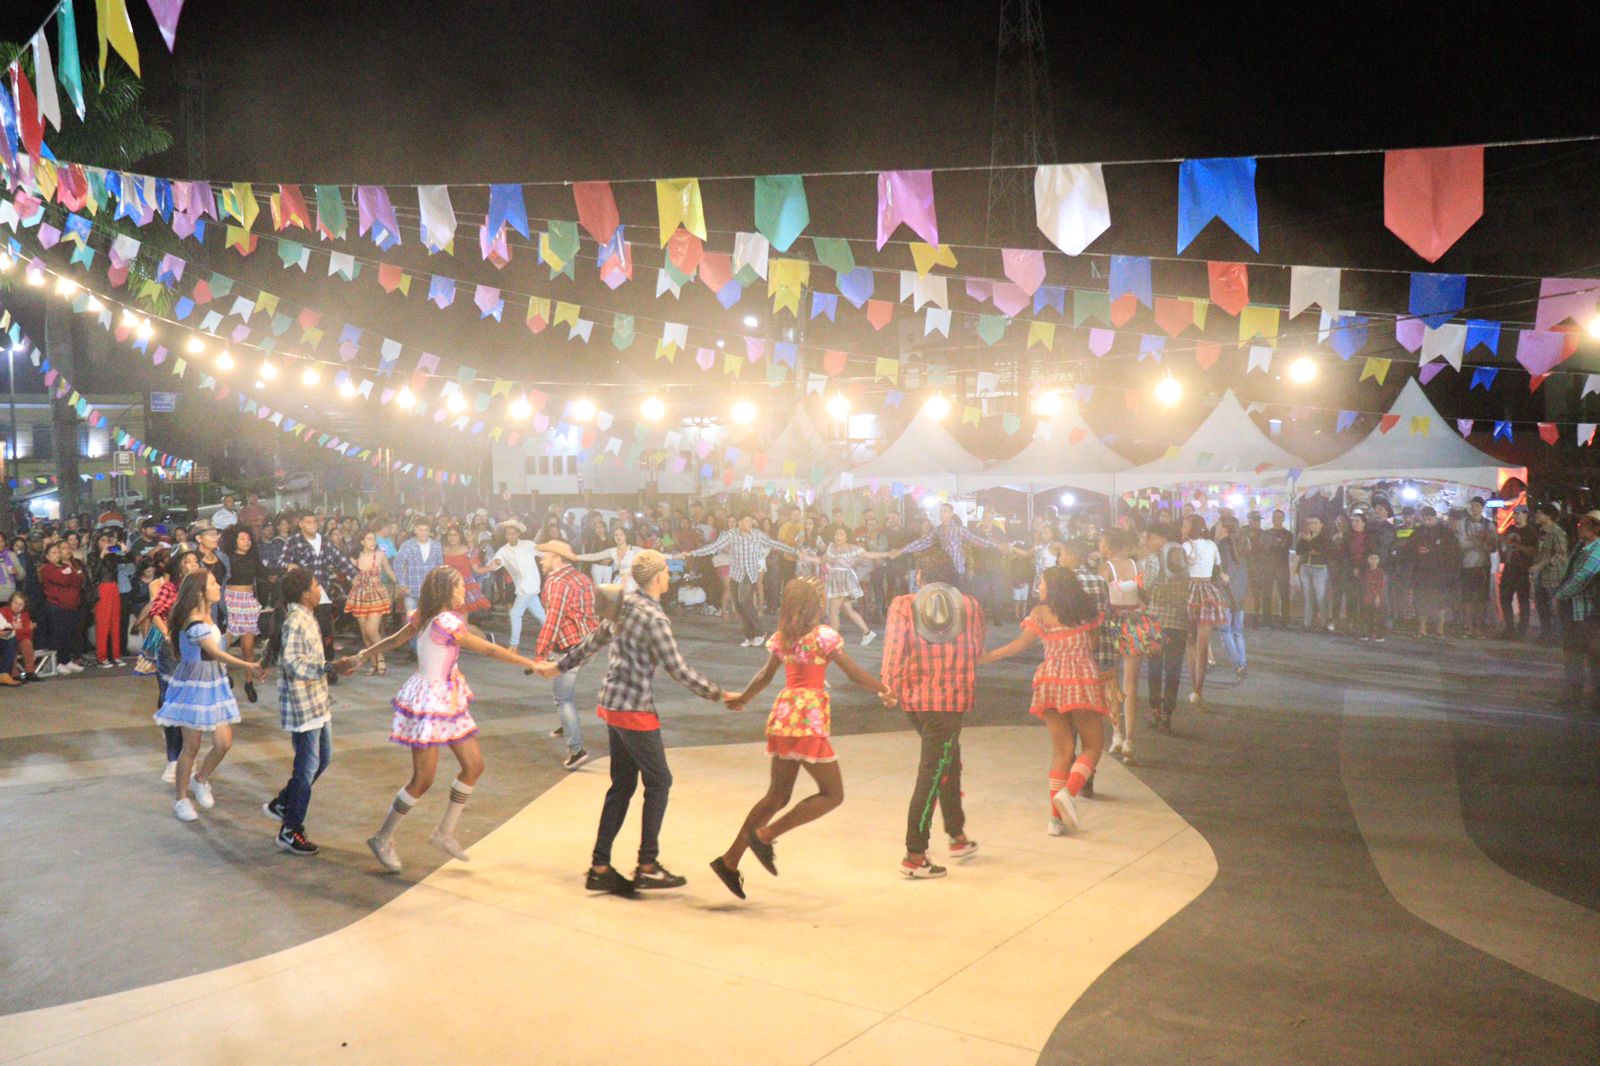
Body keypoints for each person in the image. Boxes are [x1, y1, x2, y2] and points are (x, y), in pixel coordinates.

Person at [533, 551, 729, 897]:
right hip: (635, 709)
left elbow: (592, 641)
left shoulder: (623, 604)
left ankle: (600, 866)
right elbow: (678, 669)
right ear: (656, 579)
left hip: (611, 704)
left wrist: (559, 666)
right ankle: (647, 865)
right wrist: (720, 694)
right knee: (659, 782)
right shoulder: (655, 618)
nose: (669, 576)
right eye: (666, 571)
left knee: (622, 785)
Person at [711, 577, 897, 899]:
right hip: (807, 720)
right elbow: (852, 673)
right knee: (833, 794)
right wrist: (884, 689)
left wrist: (743, 698)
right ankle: (766, 835)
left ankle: (729, 861)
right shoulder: (824, 637)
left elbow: (765, 676)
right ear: (814, 605)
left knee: (777, 796)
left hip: (783, 717)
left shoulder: (782, 638)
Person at [358, 567, 544, 872]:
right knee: (423, 780)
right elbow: (488, 649)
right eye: (459, 587)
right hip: (431, 701)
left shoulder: (426, 616)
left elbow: (393, 639)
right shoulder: (444, 621)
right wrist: (532, 664)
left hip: (449, 697)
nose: (463, 592)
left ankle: (445, 831)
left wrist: (363, 655)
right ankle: (382, 836)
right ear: (446, 591)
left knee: (474, 766)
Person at [980, 565, 1109, 836]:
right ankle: (1069, 792)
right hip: (1082, 678)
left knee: (1061, 750)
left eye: (1042, 583)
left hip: (1050, 678)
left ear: (1054, 587)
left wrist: (990, 656)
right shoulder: (1087, 612)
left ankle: (1055, 820)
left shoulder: (1040, 614)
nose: (1038, 587)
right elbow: (1094, 645)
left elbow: (1021, 643)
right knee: (1093, 745)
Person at [879, 552, 984, 880]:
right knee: (933, 771)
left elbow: (895, 648)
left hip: (915, 700)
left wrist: (888, 686)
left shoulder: (903, 604)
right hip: (950, 701)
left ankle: (957, 835)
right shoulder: (969, 606)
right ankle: (915, 854)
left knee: (946, 762)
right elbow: (977, 649)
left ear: (921, 577)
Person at [153, 571, 267, 822]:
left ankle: (201, 778)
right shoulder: (192, 621)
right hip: (195, 686)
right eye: (214, 583)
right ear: (201, 591)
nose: (219, 586)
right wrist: (249, 666)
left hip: (214, 683)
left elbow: (219, 646)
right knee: (191, 747)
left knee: (224, 742)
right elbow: (214, 652)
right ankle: (181, 799)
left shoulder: (208, 615)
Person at [262, 568, 359, 855]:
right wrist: (330, 667)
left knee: (322, 760)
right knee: (306, 769)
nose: (320, 590)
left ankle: (282, 803)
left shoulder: (307, 617)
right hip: (303, 706)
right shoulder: (296, 621)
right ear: (305, 593)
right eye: (317, 585)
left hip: (317, 701)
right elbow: (292, 663)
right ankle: (290, 830)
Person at [678, 515, 801, 647]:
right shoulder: (731, 535)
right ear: (740, 522)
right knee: (738, 606)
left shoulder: (757, 535)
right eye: (747, 521)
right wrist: (694, 553)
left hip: (749, 573)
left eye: (750, 521)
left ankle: (760, 632)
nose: (750, 524)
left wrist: (794, 551)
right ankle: (749, 635)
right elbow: (714, 546)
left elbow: (775, 543)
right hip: (735, 573)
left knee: (744, 600)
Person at [531, 540, 601, 771]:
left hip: (569, 645)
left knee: (563, 698)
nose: (541, 559)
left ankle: (576, 750)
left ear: (558, 558)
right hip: (587, 641)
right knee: (564, 693)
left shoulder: (557, 582)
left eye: (545, 556)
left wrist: (540, 653)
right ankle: (566, 724)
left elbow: (553, 620)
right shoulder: (581, 577)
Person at [1101, 529, 1154, 764]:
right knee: (1131, 683)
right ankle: (1130, 740)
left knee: (1111, 681)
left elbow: (1102, 598)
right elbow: (1140, 594)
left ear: (1110, 545)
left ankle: (1117, 733)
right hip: (1134, 622)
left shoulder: (1106, 568)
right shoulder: (1135, 566)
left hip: (1112, 624)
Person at [282, 511, 361, 663]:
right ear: (301, 524)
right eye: (309, 522)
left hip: (322, 591)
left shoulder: (324, 541)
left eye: (314, 522)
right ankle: (303, 664)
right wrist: (289, 565)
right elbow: (282, 560)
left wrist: (354, 574)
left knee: (325, 630)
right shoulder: (294, 541)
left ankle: (328, 666)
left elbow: (339, 558)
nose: (312, 525)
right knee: (303, 630)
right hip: (302, 594)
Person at [892, 502, 1027, 587]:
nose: (942, 513)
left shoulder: (958, 529)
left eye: (945, 511)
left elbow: (977, 540)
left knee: (958, 599)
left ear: (951, 514)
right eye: (941, 511)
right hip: (944, 569)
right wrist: (902, 550)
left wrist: (997, 546)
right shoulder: (937, 530)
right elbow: (923, 542)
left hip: (958, 570)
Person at [1142, 524, 1189, 735]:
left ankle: (1155, 710)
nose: (1148, 542)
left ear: (1161, 537)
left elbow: (1148, 585)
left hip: (1156, 619)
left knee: (1154, 666)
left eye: (1150, 537)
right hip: (1178, 619)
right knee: (1173, 668)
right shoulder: (1181, 553)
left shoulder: (1154, 558)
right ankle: (1168, 714)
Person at [1554, 510, 1600, 713]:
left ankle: (1594, 699)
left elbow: (1582, 577)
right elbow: (1570, 573)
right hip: (1573, 610)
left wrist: (1560, 595)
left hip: (1587, 612)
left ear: (1594, 528)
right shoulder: (1583, 546)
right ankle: (1573, 693)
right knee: (1572, 653)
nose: (1579, 527)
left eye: (1583, 524)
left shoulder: (1597, 550)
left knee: (1592, 656)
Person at [816, 526, 893, 645]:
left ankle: (833, 640)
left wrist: (886, 554)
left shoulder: (853, 549)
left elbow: (869, 555)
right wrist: (806, 557)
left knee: (833, 609)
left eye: (841, 534)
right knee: (848, 610)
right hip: (836, 580)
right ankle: (867, 632)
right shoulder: (831, 548)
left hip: (844, 581)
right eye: (837, 534)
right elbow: (822, 560)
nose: (838, 536)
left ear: (846, 537)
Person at [1183, 514, 1227, 704]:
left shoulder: (1185, 546)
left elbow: (1180, 571)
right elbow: (1219, 568)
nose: (1182, 528)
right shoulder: (1212, 545)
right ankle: (1198, 690)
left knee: (1191, 643)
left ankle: (1195, 687)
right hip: (1208, 591)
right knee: (1202, 645)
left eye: (1184, 525)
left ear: (1192, 527)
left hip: (1190, 591)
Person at [222, 527, 266, 701]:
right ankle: (223, 672)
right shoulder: (226, 559)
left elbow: (266, 573)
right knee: (222, 644)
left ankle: (249, 682)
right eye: (242, 538)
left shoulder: (253, 558)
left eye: (248, 539)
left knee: (248, 648)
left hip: (248, 602)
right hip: (231, 601)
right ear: (234, 540)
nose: (246, 542)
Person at [489, 519, 547, 651]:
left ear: (518, 534)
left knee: (515, 613)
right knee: (540, 614)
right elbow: (495, 563)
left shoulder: (528, 544)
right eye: (508, 534)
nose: (510, 536)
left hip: (531, 584)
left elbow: (543, 554)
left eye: (513, 533)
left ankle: (514, 645)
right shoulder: (503, 550)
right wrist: (494, 563)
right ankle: (556, 638)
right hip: (521, 586)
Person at [345, 530, 397, 674]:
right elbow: (349, 575)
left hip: (376, 594)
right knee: (364, 633)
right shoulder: (355, 557)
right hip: (359, 595)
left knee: (372, 630)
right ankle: (374, 663)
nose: (372, 542)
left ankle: (380, 658)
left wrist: (399, 584)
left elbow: (389, 571)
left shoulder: (380, 555)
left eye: (374, 539)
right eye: (369, 539)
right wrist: (353, 579)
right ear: (362, 542)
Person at [1409, 507, 1461, 638]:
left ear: (1435, 517)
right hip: (1421, 573)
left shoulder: (1445, 533)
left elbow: (1452, 553)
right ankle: (1422, 629)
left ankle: (1440, 630)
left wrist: (1432, 551)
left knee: (1440, 602)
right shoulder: (1418, 531)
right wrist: (1416, 551)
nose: (1426, 522)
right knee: (1421, 601)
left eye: (1429, 519)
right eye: (1424, 519)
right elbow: (1408, 548)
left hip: (1439, 573)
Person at [39, 542, 88, 674]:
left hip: (71, 606)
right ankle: (57, 662)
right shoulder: (47, 569)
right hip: (56, 606)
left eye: (58, 552)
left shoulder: (66, 566)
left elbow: (79, 579)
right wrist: (71, 576)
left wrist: (71, 575)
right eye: (54, 553)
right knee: (57, 635)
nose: (57, 555)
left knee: (68, 634)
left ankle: (66, 660)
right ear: (48, 556)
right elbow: (63, 580)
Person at [1214, 514, 1250, 681]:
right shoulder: (1243, 543)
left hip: (1225, 592)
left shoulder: (1221, 545)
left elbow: (1218, 569)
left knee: (1225, 630)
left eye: (1219, 524)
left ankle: (1237, 665)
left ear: (1224, 527)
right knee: (1238, 631)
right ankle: (1242, 662)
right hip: (1240, 591)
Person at [1455, 497, 1497, 638]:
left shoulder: (1489, 525)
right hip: (1466, 565)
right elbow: (1461, 544)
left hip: (1482, 566)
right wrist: (1479, 542)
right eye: (1472, 505)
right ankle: (1467, 627)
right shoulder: (1463, 523)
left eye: (1477, 505)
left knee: (1481, 599)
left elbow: (1492, 546)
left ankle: (1479, 627)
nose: (1474, 508)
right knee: (1466, 598)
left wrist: (1473, 541)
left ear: (1482, 507)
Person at [1529, 504, 1570, 644]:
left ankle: (1556, 638)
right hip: (1541, 576)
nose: (1537, 515)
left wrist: (1540, 565)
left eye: (1540, 513)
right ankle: (1545, 635)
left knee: (1554, 609)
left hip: (1554, 576)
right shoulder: (1541, 532)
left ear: (1549, 516)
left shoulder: (1557, 533)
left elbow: (1560, 554)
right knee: (1541, 607)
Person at [1498, 506, 1539, 640]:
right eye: (1514, 514)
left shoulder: (1530, 532)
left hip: (1522, 569)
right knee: (1505, 597)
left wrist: (1517, 546)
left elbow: (1533, 550)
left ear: (1526, 515)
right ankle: (1509, 627)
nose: (1515, 516)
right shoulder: (1511, 529)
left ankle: (1522, 631)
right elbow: (1504, 544)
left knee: (1523, 600)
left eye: (1518, 513)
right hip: (1509, 567)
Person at [88, 530, 125, 668]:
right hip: (102, 589)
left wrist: (125, 551)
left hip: (114, 588)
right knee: (103, 623)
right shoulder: (92, 556)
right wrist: (102, 556)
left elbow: (129, 559)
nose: (105, 543)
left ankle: (116, 655)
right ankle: (101, 657)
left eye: (107, 540)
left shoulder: (113, 555)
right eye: (102, 540)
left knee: (115, 622)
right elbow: (95, 574)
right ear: (96, 542)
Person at [392, 518, 443, 615]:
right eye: (420, 530)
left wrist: (438, 586)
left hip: (430, 591)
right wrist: (402, 583)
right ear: (415, 530)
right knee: (412, 624)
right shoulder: (407, 545)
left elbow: (439, 567)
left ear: (429, 531)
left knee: (429, 621)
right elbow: (397, 563)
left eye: (426, 530)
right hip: (412, 591)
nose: (423, 533)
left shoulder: (436, 545)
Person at [441, 527, 494, 619]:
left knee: (463, 623)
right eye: (450, 535)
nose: (452, 537)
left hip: (463, 588)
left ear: (460, 536)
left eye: (455, 535)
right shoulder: (444, 550)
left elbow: (477, 569)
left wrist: (491, 567)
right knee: (449, 622)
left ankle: (485, 634)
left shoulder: (468, 550)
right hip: (447, 588)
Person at [1255, 509, 1294, 627]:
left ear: (1283, 519)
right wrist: (1273, 546)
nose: (1277, 519)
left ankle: (1285, 621)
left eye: (1279, 517)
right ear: (1272, 519)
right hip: (1268, 568)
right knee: (1267, 594)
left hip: (1282, 568)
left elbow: (1283, 547)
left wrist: (1271, 546)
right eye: (1275, 517)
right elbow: (1262, 547)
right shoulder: (1265, 533)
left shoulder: (1288, 534)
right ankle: (1267, 620)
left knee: (1284, 595)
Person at [1295, 516, 1334, 631]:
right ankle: (1307, 623)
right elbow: (1299, 551)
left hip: (1319, 569)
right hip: (1306, 568)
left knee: (1320, 596)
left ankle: (1323, 624)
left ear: (1321, 525)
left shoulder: (1325, 538)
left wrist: (1310, 542)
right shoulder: (1305, 536)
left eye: (1315, 523)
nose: (1312, 525)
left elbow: (1324, 552)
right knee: (1308, 596)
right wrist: (1308, 545)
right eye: (1310, 523)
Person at [3, 590, 39, 682]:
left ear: (24, 606)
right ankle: (14, 674)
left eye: (20, 604)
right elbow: (9, 632)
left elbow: (29, 635)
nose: (17, 606)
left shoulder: (25, 614)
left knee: (27, 643)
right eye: (15, 603)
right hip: (6, 640)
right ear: (10, 602)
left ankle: (30, 672)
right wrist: (26, 629)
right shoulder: (4, 611)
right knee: (12, 644)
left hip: (20, 640)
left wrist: (23, 631)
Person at [1357, 553, 1388, 643]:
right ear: (1368, 560)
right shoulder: (1366, 571)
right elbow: (1362, 583)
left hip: (1376, 596)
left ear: (1378, 561)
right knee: (1367, 615)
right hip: (1366, 596)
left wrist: (1378, 596)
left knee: (1378, 615)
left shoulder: (1380, 572)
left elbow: (1380, 585)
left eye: (1375, 558)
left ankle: (1379, 634)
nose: (1373, 560)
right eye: (1371, 558)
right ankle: (1367, 633)